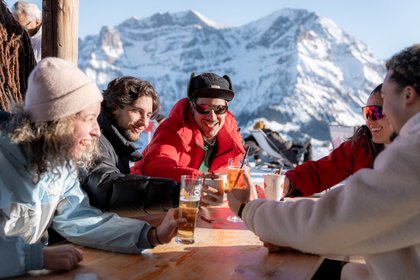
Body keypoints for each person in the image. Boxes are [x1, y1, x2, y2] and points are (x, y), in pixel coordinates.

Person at [227, 44, 420, 279]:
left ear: (408, 95)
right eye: (367, 112)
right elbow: (324, 171)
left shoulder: (411, 154)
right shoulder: (365, 143)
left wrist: (249, 208)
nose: (374, 118)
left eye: (382, 105)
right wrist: (289, 188)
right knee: (350, 271)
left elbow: (342, 219)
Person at [0, 57, 185, 278]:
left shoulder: (58, 165)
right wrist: (33, 257)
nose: (97, 131)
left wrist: (152, 236)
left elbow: (80, 220)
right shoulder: (4, 163)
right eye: (89, 119)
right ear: (59, 121)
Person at [80, 76, 179, 211]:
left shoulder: (115, 143)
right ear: (114, 107)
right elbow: (108, 188)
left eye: (148, 115)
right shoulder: (95, 140)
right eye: (137, 111)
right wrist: (175, 193)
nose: (144, 122)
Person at [131, 72, 245, 182]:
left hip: (208, 200)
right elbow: (156, 167)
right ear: (192, 106)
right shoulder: (173, 129)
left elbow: (236, 180)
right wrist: (203, 180)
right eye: (204, 108)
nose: (212, 116)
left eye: (220, 109)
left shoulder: (232, 135)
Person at [283, 84, 392, 197]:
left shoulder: (411, 153)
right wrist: (288, 183)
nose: (369, 122)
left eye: (376, 112)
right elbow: (321, 172)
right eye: (367, 113)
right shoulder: (362, 146)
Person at [245, 120, 312, 165]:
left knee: (303, 145)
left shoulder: (260, 136)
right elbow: (285, 145)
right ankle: (308, 165)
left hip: (278, 151)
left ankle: (307, 164)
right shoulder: (269, 134)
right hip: (287, 151)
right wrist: (291, 142)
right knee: (308, 144)